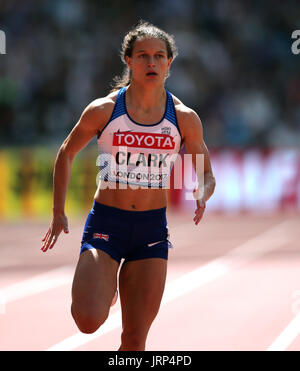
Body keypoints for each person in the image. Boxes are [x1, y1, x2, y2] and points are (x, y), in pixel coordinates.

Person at [41, 20, 216, 351]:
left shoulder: (184, 118)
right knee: (88, 320)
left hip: (150, 230)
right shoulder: (104, 110)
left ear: (169, 63)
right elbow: (66, 153)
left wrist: (201, 192)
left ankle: (114, 283)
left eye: (159, 56)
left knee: (134, 341)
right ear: (129, 61)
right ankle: (108, 284)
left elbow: (206, 174)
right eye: (143, 56)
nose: (151, 63)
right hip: (107, 222)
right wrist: (57, 211)